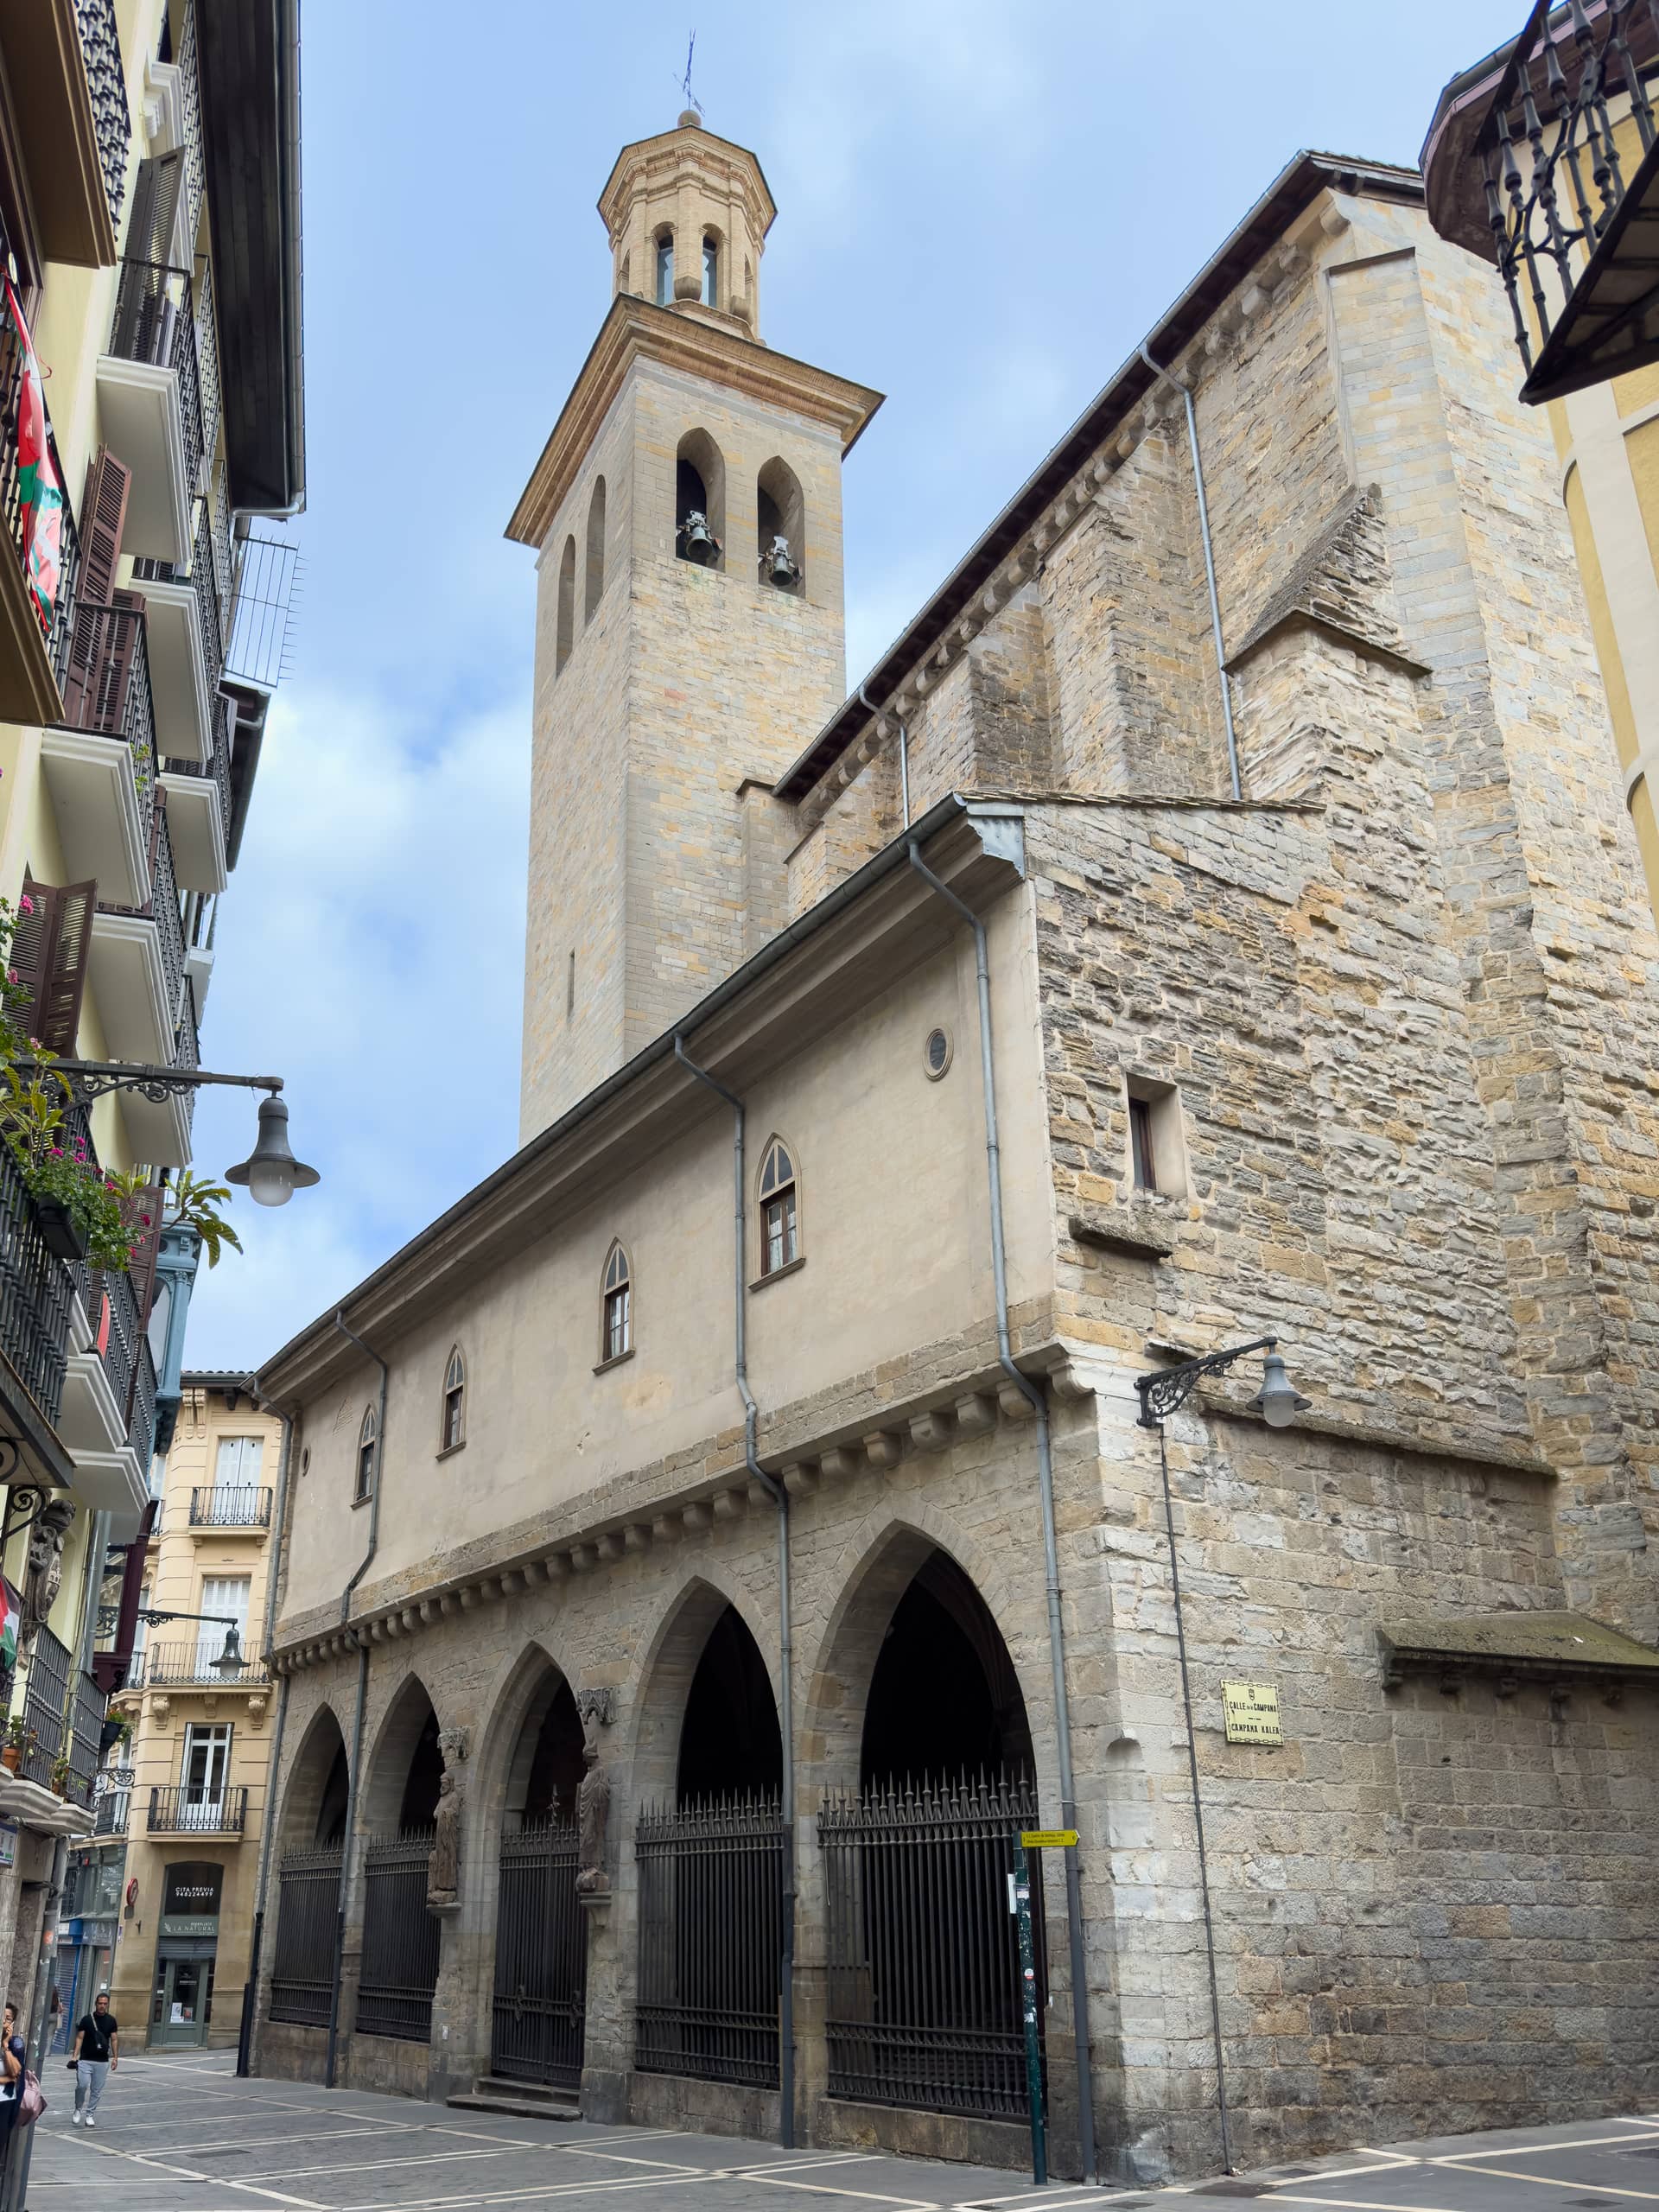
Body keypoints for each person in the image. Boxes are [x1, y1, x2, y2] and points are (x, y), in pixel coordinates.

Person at [69, 1993, 116, 2127]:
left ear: (107, 2004)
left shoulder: (111, 2021)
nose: (102, 2006)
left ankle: (90, 2114)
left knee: (96, 2090)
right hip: (85, 2060)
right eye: (100, 2003)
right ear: (96, 2004)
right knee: (82, 2085)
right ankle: (78, 2108)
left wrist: (115, 2058)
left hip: (102, 2061)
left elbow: (114, 2039)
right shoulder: (87, 2020)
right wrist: (75, 2055)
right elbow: (79, 2038)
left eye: (105, 2004)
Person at [0, 2000, 27, 2177]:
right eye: (2, 2018)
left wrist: (5, 2046)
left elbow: (15, 2073)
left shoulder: (15, 2044)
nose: (4, 2022)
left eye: (8, 2019)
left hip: (4, 2103)